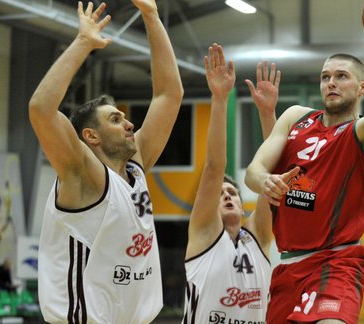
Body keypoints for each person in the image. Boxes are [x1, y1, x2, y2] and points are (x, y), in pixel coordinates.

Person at [244, 0, 364, 321]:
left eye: (341, 76)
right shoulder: (294, 117)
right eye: (325, 76)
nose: (330, 82)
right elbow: (253, 170)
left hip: (337, 263)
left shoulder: (363, 132)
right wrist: (265, 181)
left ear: (362, 87)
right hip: (288, 265)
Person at [29, 0, 183, 322]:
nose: (129, 124)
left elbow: (169, 94)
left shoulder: (134, 169)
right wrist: (84, 42)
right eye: (115, 119)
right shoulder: (82, 174)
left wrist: (151, 14)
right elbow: (42, 108)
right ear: (91, 137)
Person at [182, 44, 287, 323]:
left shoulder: (259, 236)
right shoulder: (205, 234)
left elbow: (272, 170)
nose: (228, 196)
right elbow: (215, 167)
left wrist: (267, 114)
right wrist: (220, 99)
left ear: (243, 207)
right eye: (220, 194)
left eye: (233, 193)